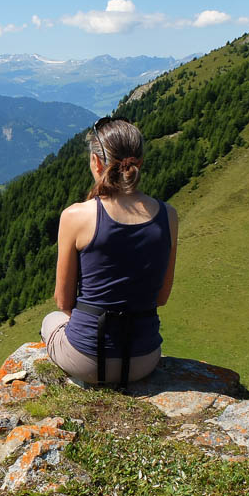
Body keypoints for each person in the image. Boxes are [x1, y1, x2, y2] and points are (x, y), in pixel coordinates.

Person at [40, 117, 178, 386]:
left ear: (96, 162)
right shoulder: (168, 216)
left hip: (86, 360)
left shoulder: (76, 216)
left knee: (52, 319)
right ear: (140, 163)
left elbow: (63, 302)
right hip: (145, 359)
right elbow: (161, 297)